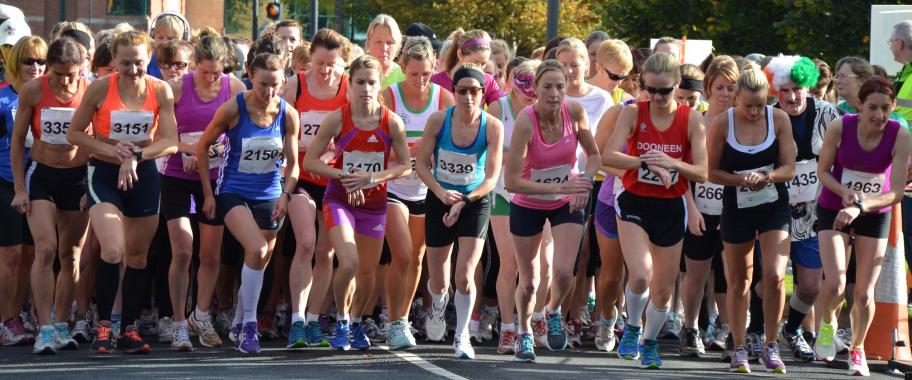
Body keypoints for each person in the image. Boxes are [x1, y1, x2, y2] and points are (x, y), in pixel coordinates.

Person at [66, 31, 179, 354]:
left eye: (139, 63)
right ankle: (104, 326)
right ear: (114, 60)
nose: (132, 70)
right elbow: (75, 133)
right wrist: (112, 150)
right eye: (125, 63)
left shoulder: (160, 90)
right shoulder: (101, 87)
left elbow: (170, 139)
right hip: (103, 173)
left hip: (143, 174)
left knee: (138, 256)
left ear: (150, 59)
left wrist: (137, 156)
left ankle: (128, 329)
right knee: (113, 250)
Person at [602, 52, 708, 369]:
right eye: (651, 90)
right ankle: (633, 325)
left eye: (665, 90)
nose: (658, 97)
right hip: (634, 200)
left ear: (677, 85)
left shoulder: (692, 119)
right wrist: (643, 161)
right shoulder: (634, 113)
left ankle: (648, 340)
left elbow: (702, 171)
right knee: (641, 273)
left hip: (670, 206)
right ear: (643, 85)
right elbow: (608, 155)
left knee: (662, 292)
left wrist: (671, 162)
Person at [302, 54, 410, 351]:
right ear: (350, 85)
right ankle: (341, 321)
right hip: (340, 199)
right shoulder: (338, 117)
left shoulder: (392, 122)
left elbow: (405, 165)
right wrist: (345, 175)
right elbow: (310, 161)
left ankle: (358, 321)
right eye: (360, 82)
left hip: (374, 204)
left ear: (379, 86)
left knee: (367, 271)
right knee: (348, 262)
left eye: (371, 82)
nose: (365, 88)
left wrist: (376, 178)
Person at [195, 52, 299, 354]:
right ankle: (250, 326)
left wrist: (285, 194)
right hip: (233, 192)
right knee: (257, 249)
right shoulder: (234, 108)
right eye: (263, 84)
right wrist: (208, 194)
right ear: (250, 76)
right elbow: (202, 148)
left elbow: (293, 166)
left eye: (276, 85)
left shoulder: (287, 113)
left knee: (259, 261)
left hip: (270, 194)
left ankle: (240, 321)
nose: (269, 92)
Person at [814, 76, 910, 376]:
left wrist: (860, 205)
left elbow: (896, 192)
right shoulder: (840, 126)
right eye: (873, 108)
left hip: (873, 210)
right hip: (834, 207)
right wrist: (845, 194)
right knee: (836, 284)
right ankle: (827, 327)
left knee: (865, 293)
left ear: (893, 106)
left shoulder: (900, 134)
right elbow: (822, 171)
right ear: (860, 106)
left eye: (886, 108)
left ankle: (857, 349)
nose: (880, 115)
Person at [505, 59, 600, 362]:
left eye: (560, 86)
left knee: (561, 272)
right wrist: (559, 187)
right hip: (528, 203)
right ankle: (523, 332)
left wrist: (584, 181)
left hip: (565, 203)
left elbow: (595, 156)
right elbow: (512, 181)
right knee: (530, 280)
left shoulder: (575, 112)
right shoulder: (525, 120)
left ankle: (553, 310)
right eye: (547, 86)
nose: (555, 93)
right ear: (535, 89)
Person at [706, 68, 796, 373]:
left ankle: (771, 344)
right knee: (739, 279)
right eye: (749, 106)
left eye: (760, 105)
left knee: (774, 275)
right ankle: (740, 346)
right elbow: (712, 172)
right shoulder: (722, 123)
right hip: (737, 205)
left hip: (773, 205)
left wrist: (767, 176)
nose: (755, 112)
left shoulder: (779, 119)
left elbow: (789, 168)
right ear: (736, 99)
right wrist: (741, 180)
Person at [161, 32, 246, 351]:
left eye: (217, 72)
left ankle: (201, 314)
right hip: (177, 175)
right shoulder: (176, 88)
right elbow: (162, 137)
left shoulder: (234, 88)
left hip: (216, 178)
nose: (211, 78)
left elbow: (239, 134)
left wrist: (217, 149)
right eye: (204, 71)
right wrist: (189, 150)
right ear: (194, 64)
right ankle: (179, 322)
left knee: (210, 254)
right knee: (183, 249)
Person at [416, 63, 504, 359]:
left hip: (474, 200)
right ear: (453, 92)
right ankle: (439, 305)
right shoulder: (439, 120)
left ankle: (463, 334)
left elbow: (491, 178)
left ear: (483, 94)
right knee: (440, 278)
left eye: (474, 91)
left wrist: (464, 201)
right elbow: (420, 163)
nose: (468, 97)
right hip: (440, 196)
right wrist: (441, 192)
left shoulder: (492, 126)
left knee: (465, 274)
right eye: (461, 91)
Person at [9, 37, 88, 355]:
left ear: (80, 68)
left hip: (78, 178)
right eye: (57, 73)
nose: (64, 80)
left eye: (70, 74)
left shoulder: (89, 90)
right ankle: (43, 328)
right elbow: (17, 142)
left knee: (70, 256)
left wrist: (93, 184)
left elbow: (100, 136)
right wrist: (19, 188)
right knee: (45, 249)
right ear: (49, 67)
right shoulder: (34, 90)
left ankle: (59, 324)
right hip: (42, 175)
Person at [761, 55, 840, 363]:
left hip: (814, 210)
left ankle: (791, 329)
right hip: (774, 208)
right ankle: (757, 333)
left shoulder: (827, 112)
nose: (792, 97)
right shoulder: (767, 116)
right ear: (775, 91)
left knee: (808, 285)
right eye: (784, 90)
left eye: (798, 89)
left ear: (808, 87)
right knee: (768, 279)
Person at [380, 36, 454, 349]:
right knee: (402, 254)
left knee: (417, 259)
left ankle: (402, 318)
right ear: (402, 68)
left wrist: (431, 154)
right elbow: (377, 145)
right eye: (414, 74)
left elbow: (453, 145)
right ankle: (393, 320)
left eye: (426, 73)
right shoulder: (390, 97)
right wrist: (404, 152)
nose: (421, 80)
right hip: (394, 186)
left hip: (428, 188)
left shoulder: (444, 99)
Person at [281, 28, 350, 349]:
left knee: (327, 252)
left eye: (332, 64)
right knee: (306, 244)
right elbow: (276, 127)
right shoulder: (296, 85)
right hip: (302, 178)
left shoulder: (349, 88)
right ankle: (296, 320)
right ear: (310, 59)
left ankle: (313, 321)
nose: (325, 70)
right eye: (320, 62)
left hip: (333, 181)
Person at [679, 55, 738, 357]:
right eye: (720, 87)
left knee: (731, 275)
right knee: (696, 274)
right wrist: (690, 208)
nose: (726, 94)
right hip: (700, 209)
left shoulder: (743, 124)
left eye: (731, 88)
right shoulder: (695, 123)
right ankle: (690, 328)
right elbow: (683, 172)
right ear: (708, 88)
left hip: (733, 212)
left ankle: (729, 330)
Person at [487, 58, 539, 354]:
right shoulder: (499, 109)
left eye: (536, 86)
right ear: (512, 84)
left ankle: (529, 325)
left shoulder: (549, 112)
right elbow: (491, 156)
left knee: (534, 270)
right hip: (504, 195)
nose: (530, 93)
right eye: (525, 85)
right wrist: (520, 155)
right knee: (508, 264)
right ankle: (508, 329)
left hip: (538, 195)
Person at [590, 39, 634, 354]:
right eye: (614, 75)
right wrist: (632, 172)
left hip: (649, 200)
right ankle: (604, 316)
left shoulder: (628, 100)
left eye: (625, 77)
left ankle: (634, 327)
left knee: (643, 271)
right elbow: (599, 156)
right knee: (608, 271)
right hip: (603, 190)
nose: (619, 83)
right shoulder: (617, 109)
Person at [0, 35, 44, 347]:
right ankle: (6, 319)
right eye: (29, 60)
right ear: (16, 63)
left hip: (39, 180)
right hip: (4, 181)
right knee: (11, 254)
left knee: (31, 253)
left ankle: (18, 313)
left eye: (41, 61)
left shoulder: (49, 97)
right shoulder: (3, 98)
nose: (36, 66)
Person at [431, 29, 502, 106]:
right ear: (460, 54)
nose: (479, 69)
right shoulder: (434, 82)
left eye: (483, 63)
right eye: (474, 63)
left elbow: (500, 112)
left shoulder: (488, 81)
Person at [834, 57, 908, 129]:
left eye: (843, 76)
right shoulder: (834, 111)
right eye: (837, 76)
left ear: (862, 79)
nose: (838, 81)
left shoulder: (895, 120)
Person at [147, 11, 191, 80]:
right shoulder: (148, 61)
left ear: (183, 39)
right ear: (153, 36)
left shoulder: (187, 61)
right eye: (160, 37)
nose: (165, 42)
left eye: (171, 39)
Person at [365, 14, 404, 90]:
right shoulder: (351, 76)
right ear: (368, 43)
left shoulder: (406, 78)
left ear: (398, 45)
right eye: (378, 42)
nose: (384, 48)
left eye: (389, 42)